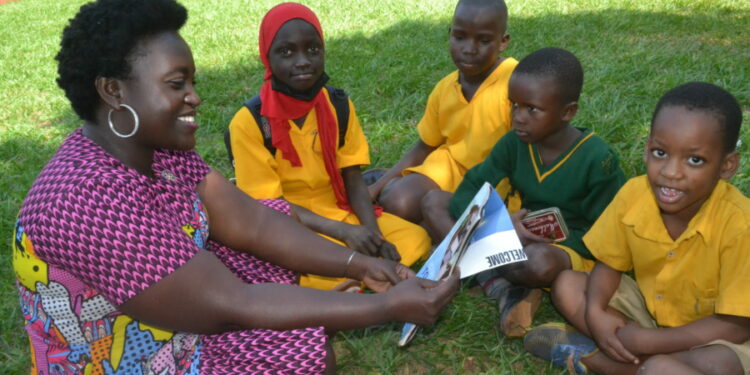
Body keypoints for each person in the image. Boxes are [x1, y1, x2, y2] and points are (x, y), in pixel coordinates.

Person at [11, 0, 459, 374]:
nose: (194, 97)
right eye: (176, 84)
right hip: (130, 357)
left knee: (277, 228)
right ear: (113, 91)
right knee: (308, 355)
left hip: (181, 309)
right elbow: (230, 302)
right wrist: (386, 308)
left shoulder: (157, 151)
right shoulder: (83, 199)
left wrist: (357, 265)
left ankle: (306, 313)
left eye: (192, 82)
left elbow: (255, 222)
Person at [525, 82, 750, 375]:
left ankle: (611, 363)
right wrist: (595, 313)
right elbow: (609, 264)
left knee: (715, 365)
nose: (670, 172)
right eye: (660, 153)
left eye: (695, 160)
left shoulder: (740, 225)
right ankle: (644, 363)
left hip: (717, 339)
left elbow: (736, 325)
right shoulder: (634, 194)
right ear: (647, 149)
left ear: (727, 166)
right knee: (568, 285)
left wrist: (649, 341)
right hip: (648, 315)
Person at [422, 47, 626, 337]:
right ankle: (501, 284)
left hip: (567, 247)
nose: (518, 117)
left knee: (538, 262)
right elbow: (468, 192)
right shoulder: (513, 144)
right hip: (511, 236)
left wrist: (545, 240)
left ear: (567, 112)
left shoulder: (597, 159)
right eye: (514, 105)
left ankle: (482, 273)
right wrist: (499, 228)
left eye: (532, 109)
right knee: (433, 203)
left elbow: (609, 235)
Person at [227, 2, 430, 291]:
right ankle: (356, 275)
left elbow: (353, 179)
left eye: (313, 49)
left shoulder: (338, 105)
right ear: (266, 57)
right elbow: (269, 209)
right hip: (290, 227)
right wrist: (344, 231)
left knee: (415, 239)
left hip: (338, 212)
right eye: (286, 52)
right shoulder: (249, 123)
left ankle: (355, 278)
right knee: (302, 271)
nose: (302, 61)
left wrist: (373, 236)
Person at [367, 0, 518, 224]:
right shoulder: (445, 87)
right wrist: (376, 188)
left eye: (484, 40)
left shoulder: (516, 82)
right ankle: (388, 181)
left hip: (494, 179)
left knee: (457, 216)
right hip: (448, 169)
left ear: (503, 42)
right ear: (450, 34)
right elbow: (425, 145)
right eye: (459, 37)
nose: (469, 49)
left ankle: (434, 220)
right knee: (397, 202)